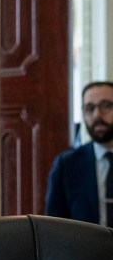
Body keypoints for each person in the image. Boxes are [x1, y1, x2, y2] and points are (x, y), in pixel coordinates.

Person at [46, 81, 113, 225]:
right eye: (89, 108)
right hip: (87, 247)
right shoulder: (67, 165)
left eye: (106, 106)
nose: (97, 115)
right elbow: (54, 226)